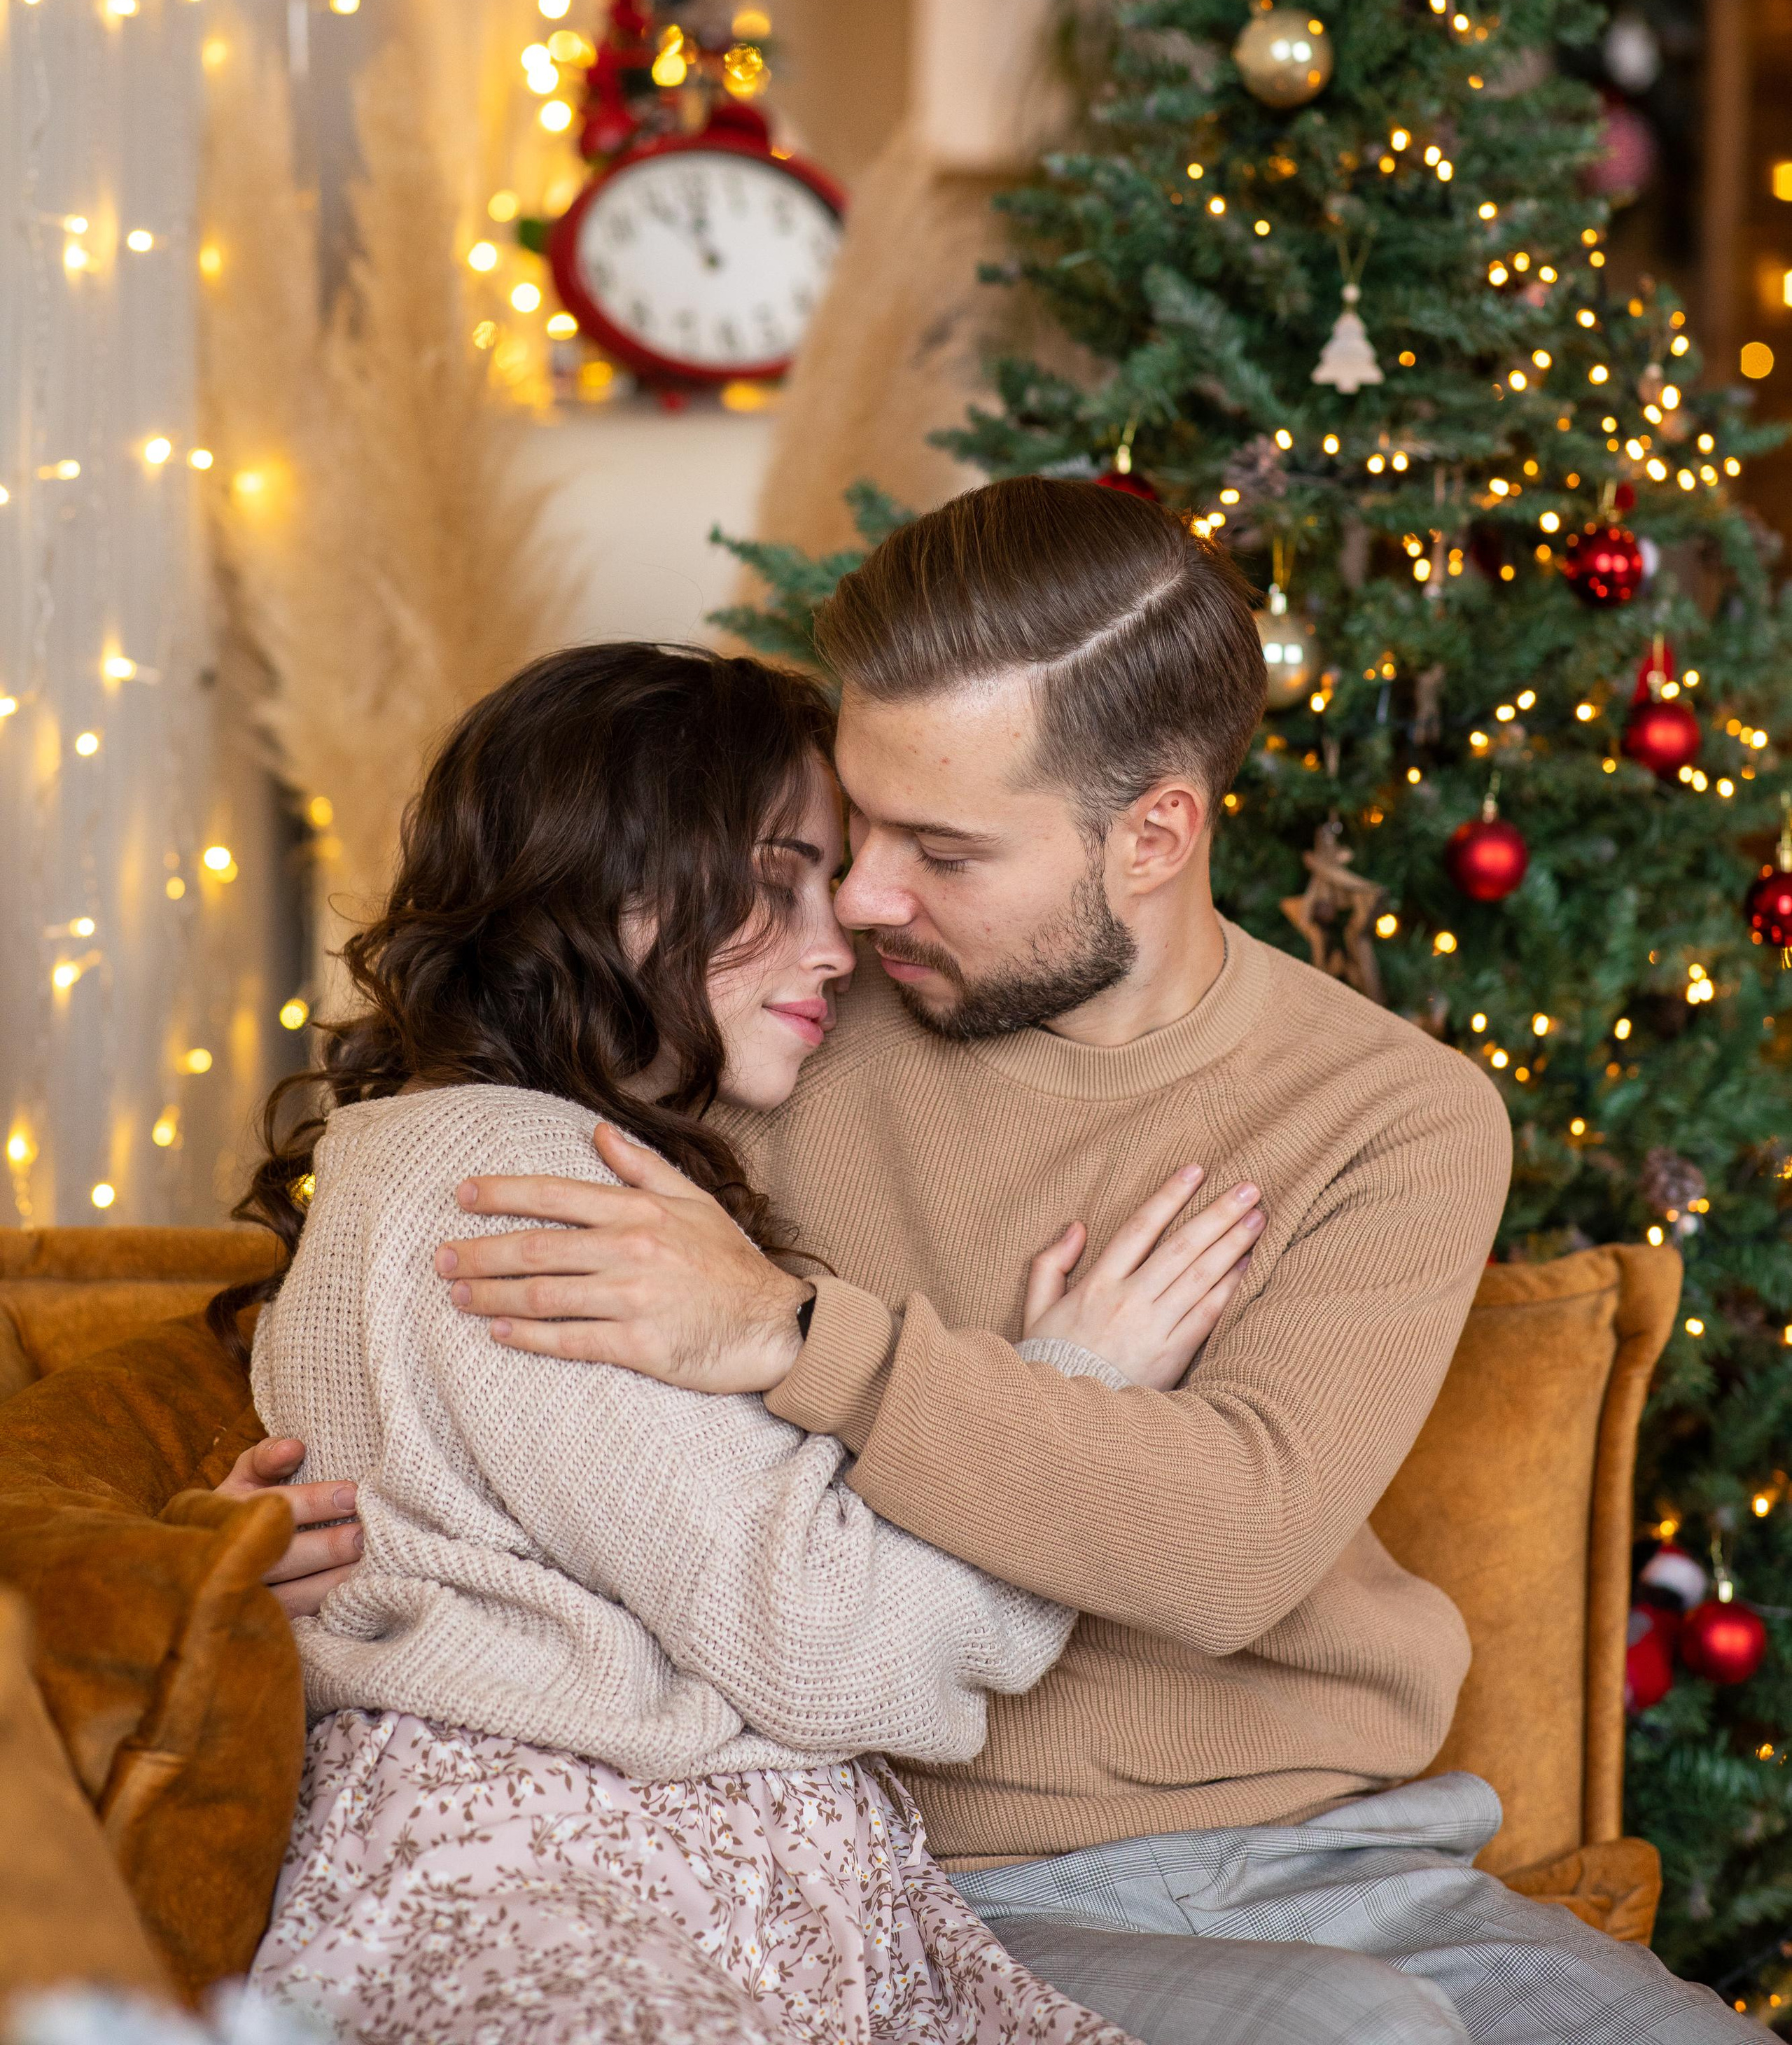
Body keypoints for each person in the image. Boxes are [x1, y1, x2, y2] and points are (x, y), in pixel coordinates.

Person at [254, 475, 1740, 2045]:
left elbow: (1229, 1544)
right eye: (850, 828)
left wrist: (795, 1336)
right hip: (935, 1864)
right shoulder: (759, 1022)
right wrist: (237, 1547)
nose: (865, 902)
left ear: (1152, 833)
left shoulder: (1390, 1112)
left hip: (1336, 1848)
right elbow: (458, 1302)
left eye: (941, 851)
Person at [223, 640, 1262, 2045]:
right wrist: (1074, 1390)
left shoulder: (498, 1159)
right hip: (577, 1896)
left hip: (672, 1886)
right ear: (612, 887)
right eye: (778, 882)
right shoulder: (518, 1191)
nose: (837, 943)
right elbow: (827, 1644)